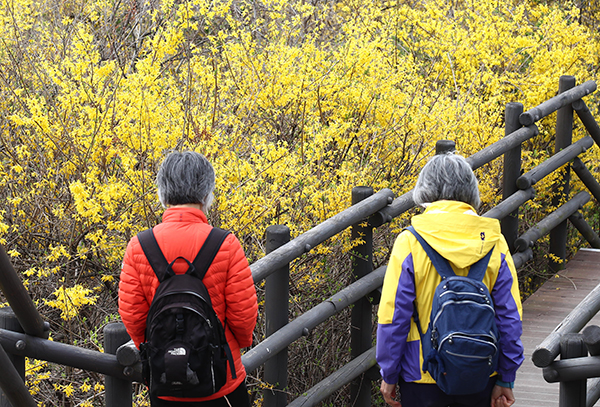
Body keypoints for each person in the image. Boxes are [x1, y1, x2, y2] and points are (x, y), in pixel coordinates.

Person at [376, 151, 524, 407]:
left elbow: (393, 317)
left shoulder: (410, 242)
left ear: (425, 190)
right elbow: (510, 316)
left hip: (421, 372)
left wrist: (389, 374)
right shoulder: (494, 242)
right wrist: (506, 377)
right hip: (481, 369)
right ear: (471, 191)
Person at [118, 151, 258, 406]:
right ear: (207, 195)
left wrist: (162, 347)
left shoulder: (139, 246)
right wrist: (235, 345)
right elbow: (244, 317)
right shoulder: (225, 244)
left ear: (162, 194)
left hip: (165, 381)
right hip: (221, 379)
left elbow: (134, 318)